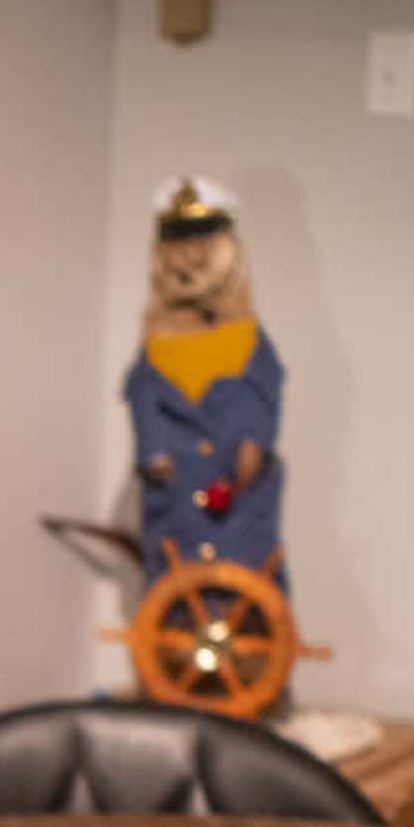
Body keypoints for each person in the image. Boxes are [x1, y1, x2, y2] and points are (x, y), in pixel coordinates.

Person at [122, 175, 288, 590]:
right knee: (175, 577)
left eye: (201, 241)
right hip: (176, 493)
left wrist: (254, 440)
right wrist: (154, 452)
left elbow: (263, 384)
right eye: (178, 242)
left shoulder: (245, 335)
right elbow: (144, 396)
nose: (189, 256)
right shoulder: (159, 340)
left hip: (238, 495)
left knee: (245, 573)